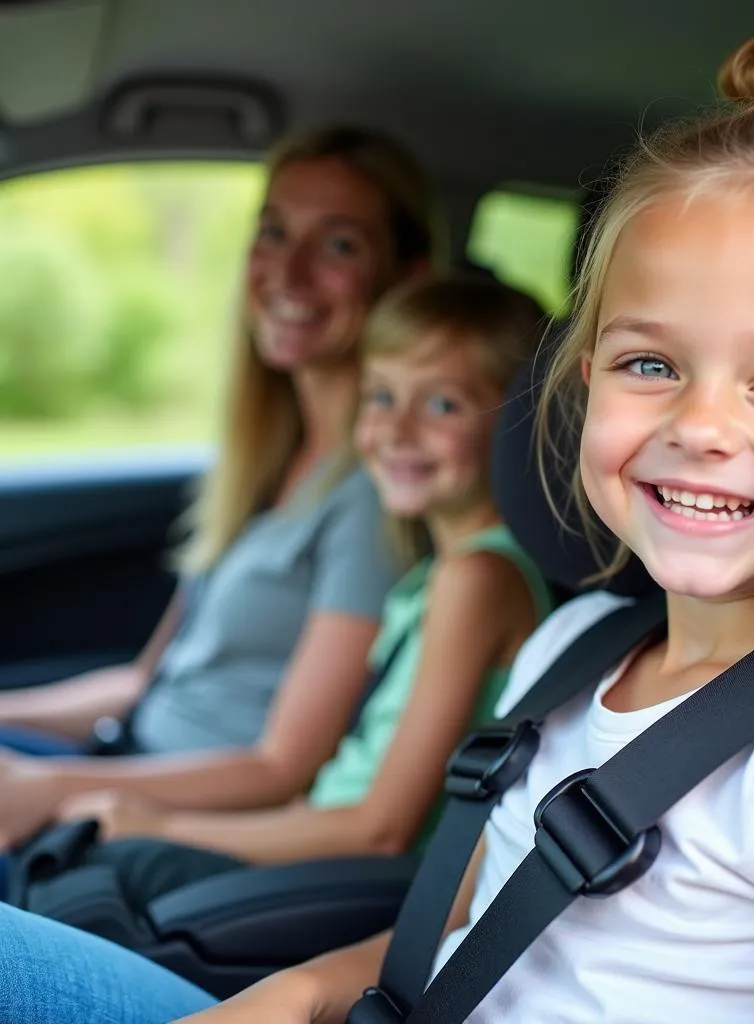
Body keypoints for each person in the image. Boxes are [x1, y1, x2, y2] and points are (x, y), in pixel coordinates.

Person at [0, 15, 754, 1024]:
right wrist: (294, 992)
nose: (701, 425)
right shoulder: (570, 651)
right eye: (649, 364)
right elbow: (460, 928)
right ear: (581, 387)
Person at [5, 275, 553, 911]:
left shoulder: (476, 580)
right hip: (317, 854)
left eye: (442, 406)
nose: (397, 429)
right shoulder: (438, 575)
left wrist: (160, 823)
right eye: (381, 396)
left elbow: (382, 827)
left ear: (515, 423)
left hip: (339, 890)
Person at [0, 125, 440, 851]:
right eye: (272, 233)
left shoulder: (368, 499)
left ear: (407, 278)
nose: (288, 273)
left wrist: (54, 788)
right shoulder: (265, 464)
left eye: (338, 245)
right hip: (124, 764)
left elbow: (284, 766)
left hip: (170, 824)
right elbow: (144, 684)